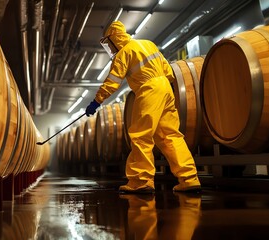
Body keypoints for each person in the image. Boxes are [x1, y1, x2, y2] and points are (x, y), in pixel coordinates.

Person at [85, 21, 201, 193]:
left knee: (141, 136)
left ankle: (141, 181)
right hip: (165, 88)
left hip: (148, 90)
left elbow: (112, 82)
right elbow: (168, 72)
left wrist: (96, 101)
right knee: (171, 136)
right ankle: (189, 179)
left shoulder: (123, 53)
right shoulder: (148, 43)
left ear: (113, 39)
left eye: (109, 43)